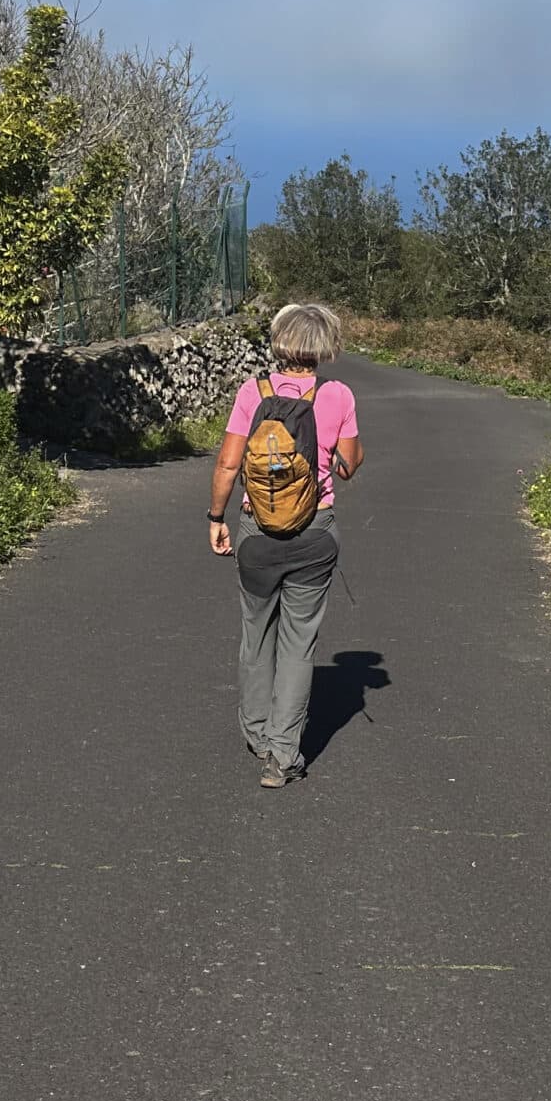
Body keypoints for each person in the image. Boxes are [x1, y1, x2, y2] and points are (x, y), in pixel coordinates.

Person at [207, 302, 364, 788]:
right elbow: (350, 464)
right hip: (315, 532)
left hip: (257, 532)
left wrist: (217, 517)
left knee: (257, 634)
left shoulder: (252, 393)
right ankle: (282, 754)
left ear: (278, 342)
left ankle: (256, 734)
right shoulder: (337, 395)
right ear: (325, 347)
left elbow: (229, 465)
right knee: (299, 644)